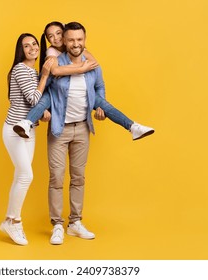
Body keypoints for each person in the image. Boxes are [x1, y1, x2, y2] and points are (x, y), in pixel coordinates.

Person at [13, 21, 154, 141]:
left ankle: (132, 126)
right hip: (55, 92)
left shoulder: (77, 46)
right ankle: (27, 122)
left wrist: (100, 105)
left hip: (83, 92)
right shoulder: (51, 53)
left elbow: (94, 63)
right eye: (51, 36)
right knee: (44, 100)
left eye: (58, 33)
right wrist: (80, 68)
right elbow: (55, 71)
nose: (56, 38)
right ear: (48, 40)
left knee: (105, 104)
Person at [44, 22, 118, 245]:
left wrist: (99, 107)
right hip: (59, 128)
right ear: (64, 42)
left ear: (84, 40)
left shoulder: (92, 63)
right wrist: (44, 110)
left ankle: (75, 222)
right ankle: (57, 224)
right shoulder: (55, 61)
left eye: (79, 40)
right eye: (71, 40)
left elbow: (100, 87)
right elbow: (45, 88)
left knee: (78, 178)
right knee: (56, 178)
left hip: (83, 128)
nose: (76, 44)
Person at [0, 33, 53, 245]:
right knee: (26, 176)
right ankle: (15, 222)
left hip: (29, 131)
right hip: (14, 130)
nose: (32, 48)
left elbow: (36, 102)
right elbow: (32, 98)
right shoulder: (21, 69)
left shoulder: (33, 71)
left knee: (20, 175)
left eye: (34, 44)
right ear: (21, 50)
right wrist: (46, 75)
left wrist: (44, 109)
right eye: (26, 46)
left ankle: (8, 220)